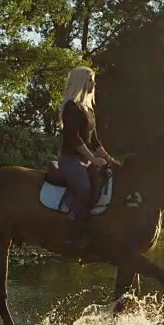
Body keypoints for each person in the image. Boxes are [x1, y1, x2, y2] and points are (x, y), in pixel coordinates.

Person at [57, 66, 115, 251]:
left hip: (85, 161)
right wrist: (92, 158)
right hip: (70, 160)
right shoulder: (71, 107)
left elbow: (94, 140)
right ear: (81, 81)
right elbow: (73, 138)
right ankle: (72, 231)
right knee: (84, 188)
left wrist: (109, 159)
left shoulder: (88, 110)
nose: (94, 84)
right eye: (90, 80)